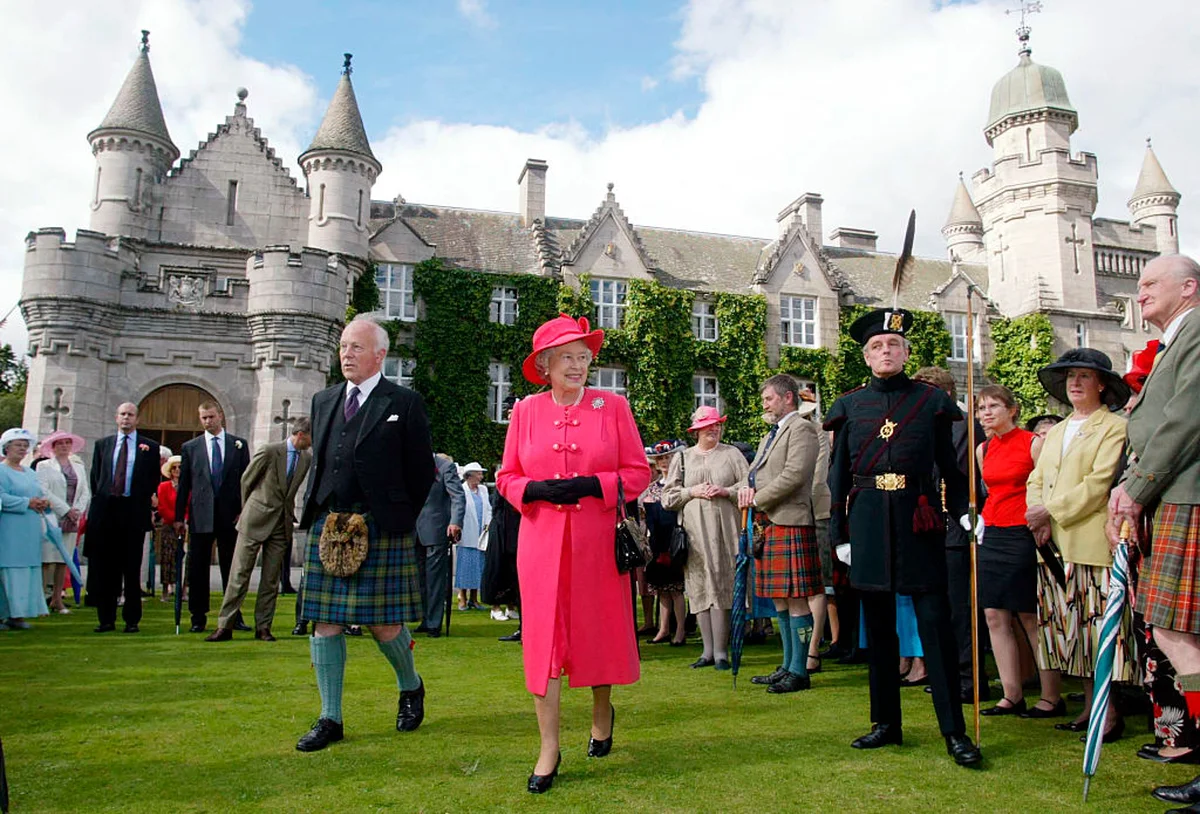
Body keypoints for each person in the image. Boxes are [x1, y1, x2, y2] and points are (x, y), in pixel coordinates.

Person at [496, 313, 650, 793]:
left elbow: (638, 473)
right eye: (567, 357)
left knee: (597, 633)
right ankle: (549, 747)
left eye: (584, 356)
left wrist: (594, 484)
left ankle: (602, 712)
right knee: (543, 642)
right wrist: (533, 489)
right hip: (540, 545)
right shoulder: (525, 411)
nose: (578, 365)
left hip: (597, 543)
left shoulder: (613, 406)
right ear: (545, 365)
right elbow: (506, 477)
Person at [824, 308, 981, 767]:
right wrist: (840, 534)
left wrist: (966, 513)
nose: (885, 351)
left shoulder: (931, 402)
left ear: (906, 353)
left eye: (893, 345)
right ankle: (885, 724)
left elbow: (951, 469)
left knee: (935, 625)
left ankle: (954, 732)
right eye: (877, 347)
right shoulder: (849, 406)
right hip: (868, 522)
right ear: (866, 357)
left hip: (919, 520)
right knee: (878, 630)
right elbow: (838, 479)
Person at [294, 316, 435, 753]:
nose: (346, 354)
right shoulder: (324, 400)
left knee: (384, 625)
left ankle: (410, 686)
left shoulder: (404, 402)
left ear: (380, 354)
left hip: (380, 526)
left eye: (356, 347)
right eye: (343, 346)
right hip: (330, 523)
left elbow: (421, 472)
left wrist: (397, 517)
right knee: (325, 622)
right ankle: (330, 717)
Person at [1103, 256, 1200, 810]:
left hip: (1185, 495)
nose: (1138, 294)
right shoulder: (1176, 339)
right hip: (1174, 494)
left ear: (1188, 286)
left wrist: (1137, 487)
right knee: (1176, 633)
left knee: (1176, 632)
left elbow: (1186, 420)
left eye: (1149, 284)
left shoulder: (1198, 329)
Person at [1027, 348, 1132, 739]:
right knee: (1071, 632)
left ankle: (1109, 712)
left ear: (1101, 384)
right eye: (1070, 376)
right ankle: (1090, 706)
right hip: (1053, 546)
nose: (1075, 382)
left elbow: (1099, 483)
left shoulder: (1114, 427)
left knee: (1098, 631)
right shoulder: (1056, 431)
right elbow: (1036, 478)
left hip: (1091, 542)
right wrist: (1036, 514)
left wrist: (1049, 511)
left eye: (1084, 376)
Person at [733, 375, 821, 693]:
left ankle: (800, 671)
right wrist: (736, 491)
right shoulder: (771, 434)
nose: (765, 405)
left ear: (787, 398)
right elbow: (753, 475)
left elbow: (794, 475)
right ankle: (787, 665)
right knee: (780, 600)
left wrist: (757, 499)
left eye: (768, 399)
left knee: (796, 600)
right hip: (769, 522)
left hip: (791, 520)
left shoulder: (802, 429)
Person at [969, 385, 1051, 717]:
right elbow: (989, 491)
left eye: (993, 406)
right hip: (992, 532)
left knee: (1029, 615)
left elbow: (1045, 487)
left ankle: (1050, 694)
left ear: (1012, 410)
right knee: (994, 614)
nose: (985, 413)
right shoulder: (983, 449)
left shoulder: (1033, 443)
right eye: (981, 408)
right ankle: (1011, 693)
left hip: (1023, 531)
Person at [912, 365, 990, 703]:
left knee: (961, 610)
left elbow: (956, 475)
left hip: (959, 527)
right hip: (933, 528)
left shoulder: (964, 425)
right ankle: (949, 674)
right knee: (941, 609)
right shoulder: (930, 425)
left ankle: (970, 679)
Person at [206, 418, 313, 642]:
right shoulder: (269, 451)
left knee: (271, 579)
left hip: (281, 523)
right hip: (255, 519)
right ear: (302, 434)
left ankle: (263, 626)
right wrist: (248, 509)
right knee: (239, 573)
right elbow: (247, 480)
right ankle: (225, 625)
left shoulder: (306, 458)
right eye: (313, 436)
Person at [175, 402, 250, 633]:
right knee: (197, 567)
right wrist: (179, 517)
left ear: (220, 416)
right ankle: (198, 617)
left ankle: (233, 615)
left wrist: (244, 510)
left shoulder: (238, 445)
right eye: (203, 418)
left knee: (231, 568)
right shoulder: (191, 447)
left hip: (230, 516)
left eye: (211, 417)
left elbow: (246, 481)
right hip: (201, 515)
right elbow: (184, 485)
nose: (207, 421)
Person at [85, 403, 160, 633]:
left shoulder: (149, 447)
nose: (126, 418)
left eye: (130, 415)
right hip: (107, 512)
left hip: (133, 512)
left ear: (137, 419)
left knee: (131, 568)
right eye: (123, 414)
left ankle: (132, 619)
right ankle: (106, 619)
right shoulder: (103, 445)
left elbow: (152, 480)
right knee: (107, 568)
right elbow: (96, 478)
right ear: (116, 418)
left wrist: (143, 503)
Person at [0, 429, 51, 629]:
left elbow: (38, 492)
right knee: (9, 569)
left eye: (24, 445)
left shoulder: (30, 473)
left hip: (30, 528)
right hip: (9, 527)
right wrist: (26, 502)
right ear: (6, 448)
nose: (22, 449)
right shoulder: (2, 471)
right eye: (18, 445)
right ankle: (4, 613)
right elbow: (2, 497)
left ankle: (18, 615)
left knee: (27, 570)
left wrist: (42, 502)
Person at [36, 430, 90, 614]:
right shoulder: (44, 466)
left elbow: (85, 492)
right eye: (60, 443)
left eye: (67, 443)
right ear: (53, 447)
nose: (64, 446)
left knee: (63, 559)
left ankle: (57, 599)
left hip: (72, 519)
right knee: (46, 559)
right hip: (52, 516)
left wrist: (77, 511)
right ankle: (41, 598)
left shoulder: (78, 467)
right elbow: (43, 491)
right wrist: (65, 510)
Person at [640, 441, 687, 647]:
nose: (664, 462)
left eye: (667, 458)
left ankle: (680, 630)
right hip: (656, 543)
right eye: (660, 459)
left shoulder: (679, 485)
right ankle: (663, 629)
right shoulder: (651, 489)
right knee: (661, 589)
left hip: (674, 541)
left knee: (676, 589)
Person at [414, 453, 464, 636]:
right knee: (419, 579)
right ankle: (425, 619)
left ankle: (434, 623)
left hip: (436, 529)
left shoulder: (444, 466)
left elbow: (458, 496)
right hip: (413, 530)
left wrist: (455, 522)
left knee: (435, 580)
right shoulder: (410, 463)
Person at [455, 461, 493, 616]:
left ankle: (474, 599)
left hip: (481, 533)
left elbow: (488, 508)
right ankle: (462, 597)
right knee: (465, 568)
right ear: (470, 476)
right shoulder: (461, 490)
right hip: (467, 533)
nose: (481, 476)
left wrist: (488, 523)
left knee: (479, 568)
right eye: (479, 474)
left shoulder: (483, 490)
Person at [154, 456, 182, 602]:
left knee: (183, 557)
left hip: (184, 525)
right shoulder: (163, 486)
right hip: (168, 525)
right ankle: (165, 590)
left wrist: (183, 520)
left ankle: (183, 590)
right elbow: (162, 506)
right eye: (174, 468)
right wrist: (175, 520)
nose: (177, 470)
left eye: (179, 467)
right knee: (167, 557)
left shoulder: (187, 486)